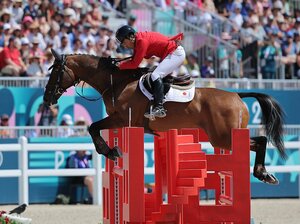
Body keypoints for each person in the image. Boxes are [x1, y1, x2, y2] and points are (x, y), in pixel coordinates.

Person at [115, 25, 186, 118]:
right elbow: (134, 59)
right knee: (153, 74)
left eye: (123, 42)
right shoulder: (138, 40)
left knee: (155, 75)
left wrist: (119, 66)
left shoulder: (141, 41)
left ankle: (160, 107)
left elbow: (134, 64)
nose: (124, 45)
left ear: (130, 37)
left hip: (175, 54)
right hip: (172, 53)